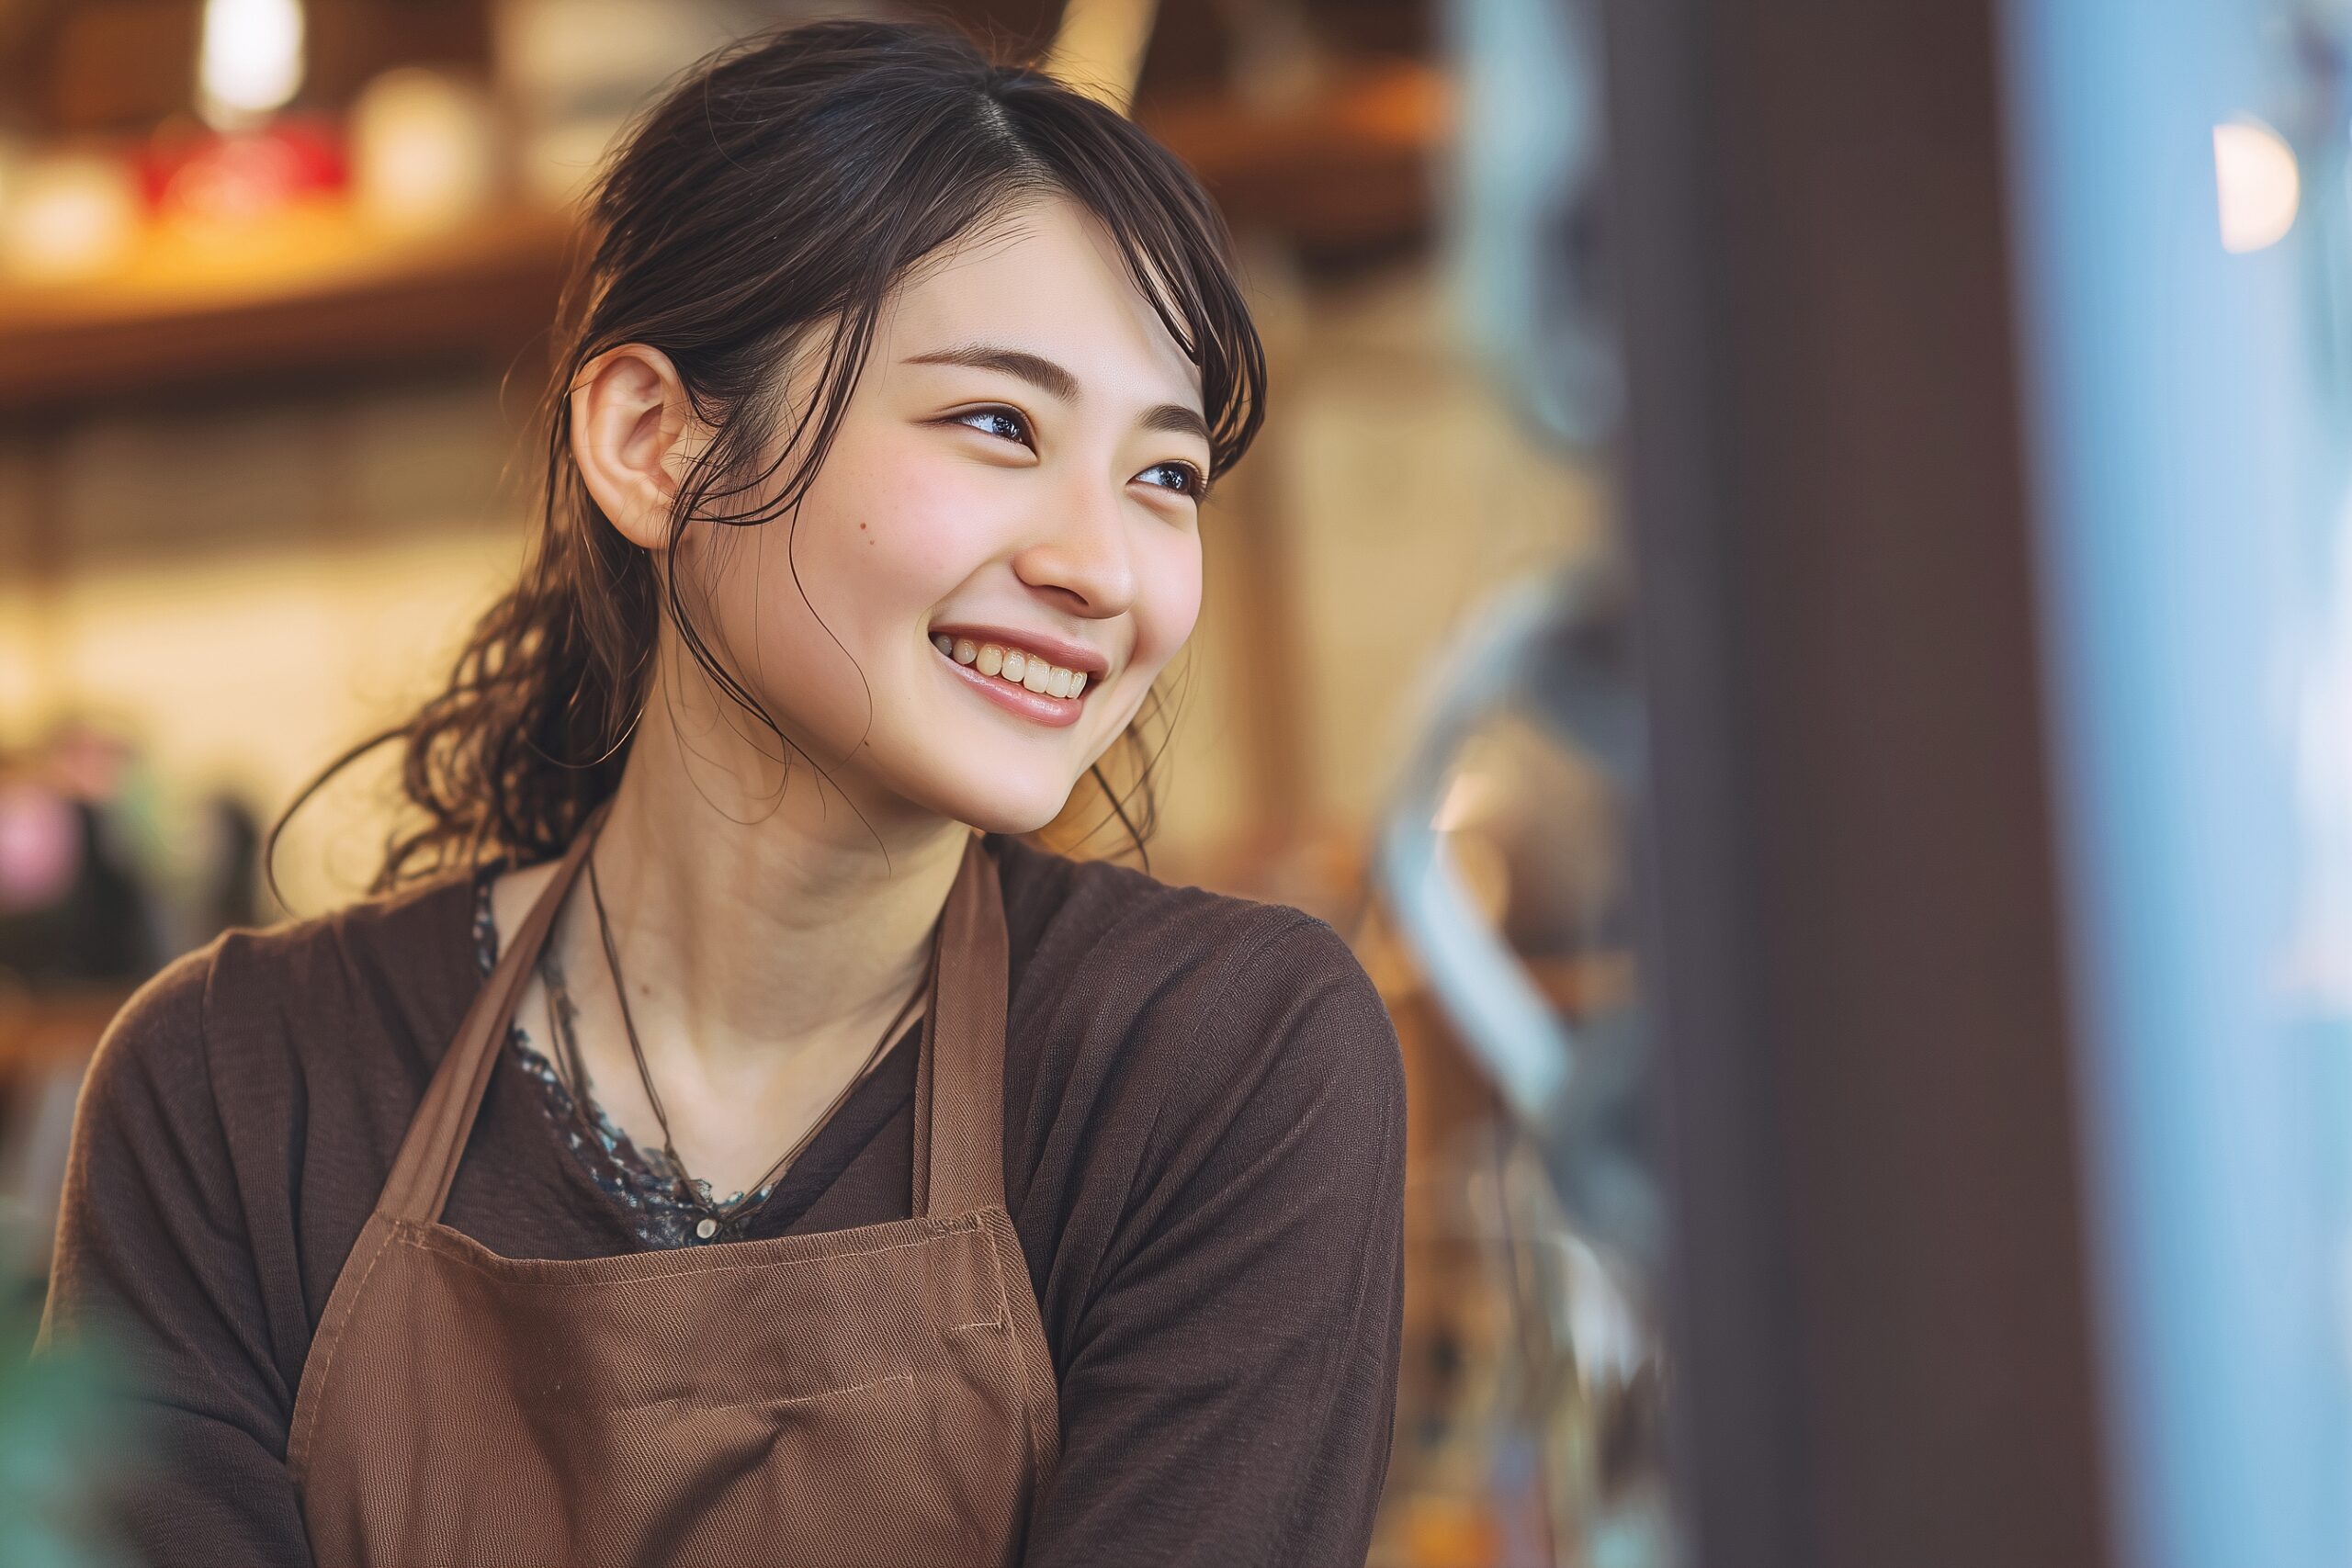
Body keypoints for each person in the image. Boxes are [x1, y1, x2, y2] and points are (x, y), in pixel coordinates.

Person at [35, 15, 1406, 1568]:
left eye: (1165, 475)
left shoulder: (1217, 1065)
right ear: (653, 443)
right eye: (996, 423)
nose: (1102, 569)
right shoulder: (235, 1094)